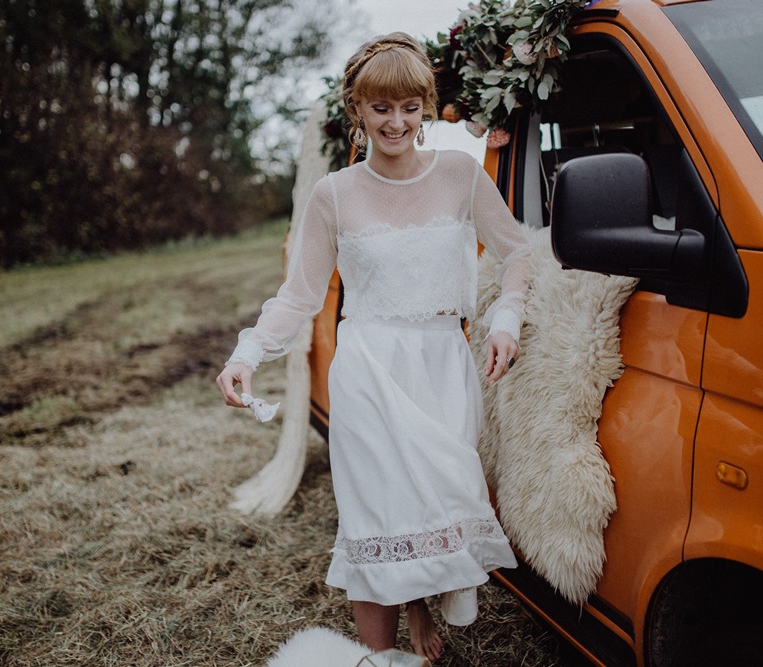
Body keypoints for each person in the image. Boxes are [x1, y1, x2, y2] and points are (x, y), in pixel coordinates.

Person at [217, 32, 530, 662]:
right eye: (380, 107)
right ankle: (385, 659)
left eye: (410, 107)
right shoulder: (333, 195)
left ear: (424, 107)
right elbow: (301, 296)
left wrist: (506, 319)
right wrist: (246, 354)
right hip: (367, 371)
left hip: (442, 367)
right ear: (357, 110)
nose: (396, 121)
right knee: (373, 521)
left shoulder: (461, 175)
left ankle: (420, 605)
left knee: (430, 505)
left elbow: (518, 249)